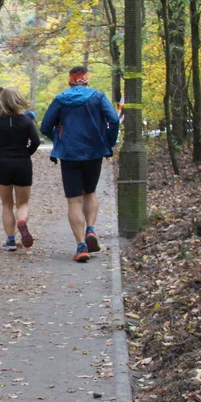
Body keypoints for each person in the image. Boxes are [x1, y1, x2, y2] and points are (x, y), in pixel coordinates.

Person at [40, 65, 120, 262]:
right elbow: (114, 120)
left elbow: (44, 126)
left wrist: (59, 139)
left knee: (74, 200)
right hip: (94, 152)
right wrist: (107, 142)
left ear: (70, 80)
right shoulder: (98, 97)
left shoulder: (61, 99)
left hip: (69, 154)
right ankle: (91, 230)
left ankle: (81, 246)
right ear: (86, 79)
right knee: (90, 192)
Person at [0, 87, 41, 251]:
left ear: (1, 101)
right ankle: (21, 222)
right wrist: (26, 153)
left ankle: (10, 240)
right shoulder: (26, 121)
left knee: (6, 204)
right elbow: (36, 142)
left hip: (3, 162)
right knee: (22, 203)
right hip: (22, 162)